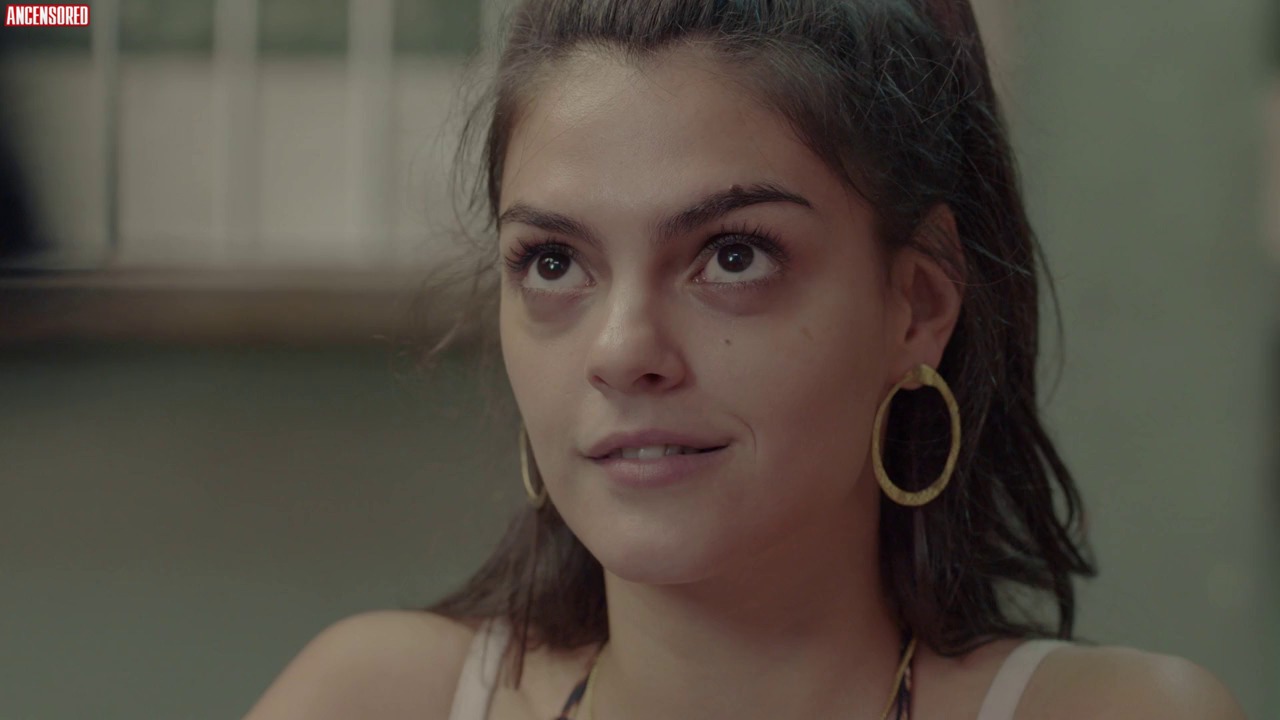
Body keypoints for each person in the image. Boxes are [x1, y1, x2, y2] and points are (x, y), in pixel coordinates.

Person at [244, 0, 1248, 718]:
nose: (621, 351)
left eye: (732, 257)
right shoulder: (377, 699)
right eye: (554, 262)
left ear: (918, 304)